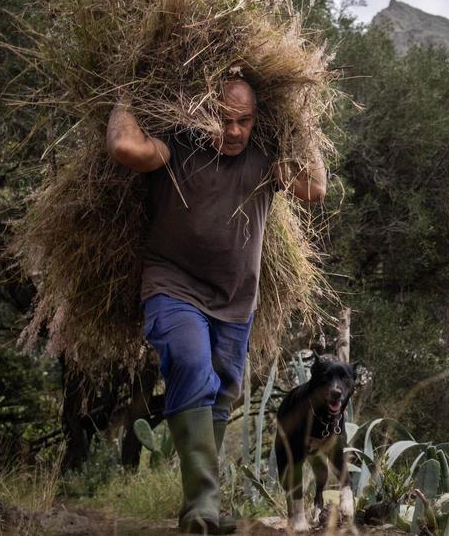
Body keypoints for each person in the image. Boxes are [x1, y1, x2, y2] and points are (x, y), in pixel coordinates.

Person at [107, 76, 326, 534]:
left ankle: (200, 513)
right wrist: (125, 92)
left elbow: (315, 188)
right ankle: (205, 507)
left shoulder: (266, 161)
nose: (232, 131)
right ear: (203, 109)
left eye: (243, 121)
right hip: (172, 285)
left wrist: (302, 123)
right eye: (223, 119)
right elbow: (128, 149)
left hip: (235, 300)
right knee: (190, 364)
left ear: (256, 120)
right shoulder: (177, 144)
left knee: (222, 392)